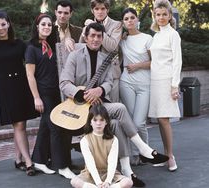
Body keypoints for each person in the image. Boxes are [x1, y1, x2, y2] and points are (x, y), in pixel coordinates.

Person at [60, 22, 169, 186]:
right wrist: (83, 94)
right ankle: (143, 149)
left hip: (99, 105)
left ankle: (127, 171)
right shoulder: (75, 55)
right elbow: (64, 83)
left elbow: (109, 82)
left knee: (117, 123)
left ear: (103, 38)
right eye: (92, 36)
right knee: (120, 108)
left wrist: (100, 91)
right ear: (85, 37)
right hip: (80, 109)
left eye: (99, 36)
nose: (96, 39)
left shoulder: (105, 58)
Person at [0, 9, 39, 176]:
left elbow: (32, 62)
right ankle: (28, 161)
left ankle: (18, 159)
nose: (1, 28)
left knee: (19, 124)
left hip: (22, 85)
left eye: (3, 24)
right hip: (6, 87)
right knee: (19, 125)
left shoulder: (20, 44)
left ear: (8, 23)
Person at [25, 13, 75, 179]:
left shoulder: (54, 45)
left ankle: (38, 160)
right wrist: (36, 98)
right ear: (37, 27)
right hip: (43, 93)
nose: (46, 27)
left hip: (57, 93)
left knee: (45, 128)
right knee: (55, 127)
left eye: (48, 24)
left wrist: (67, 39)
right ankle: (61, 165)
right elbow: (30, 76)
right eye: (43, 24)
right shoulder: (31, 48)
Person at [148, 0, 182, 172]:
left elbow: (177, 61)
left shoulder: (173, 34)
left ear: (170, 16)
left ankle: (170, 156)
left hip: (166, 81)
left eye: (164, 14)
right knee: (160, 120)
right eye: (158, 14)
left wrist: (175, 85)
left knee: (164, 119)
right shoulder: (157, 35)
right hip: (154, 81)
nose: (161, 17)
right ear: (155, 15)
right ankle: (166, 154)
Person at [119, 8, 152, 166]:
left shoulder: (147, 38)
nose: (130, 20)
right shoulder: (122, 39)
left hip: (145, 85)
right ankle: (134, 154)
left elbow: (155, 62)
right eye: (126, 18)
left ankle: (145, 152)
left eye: (132, 17)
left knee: (139, 123)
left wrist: (138, 66)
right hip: (126, 83)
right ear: (123, 23)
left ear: (137, 19)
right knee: (130, 122)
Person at [70, 104, 133, 188]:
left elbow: (112, 162)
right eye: (95, 120)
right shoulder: (85, 140)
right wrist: (98, 182)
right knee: (74, 181)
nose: (98, 123)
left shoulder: (113, 139)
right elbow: (90, 163)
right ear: (90, 122)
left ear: (106, 122)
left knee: (128, 182)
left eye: (101, 120)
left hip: (109, 173)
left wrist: (108, 181)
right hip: (90, 174)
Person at [80, 0, 122, 103]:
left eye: (103, 8)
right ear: (92, 10)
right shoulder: (87, 26)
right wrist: (85, 32)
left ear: (107, 10)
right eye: (97, 9)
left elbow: (112, 46)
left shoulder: (116, 25)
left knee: (112, 107)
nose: (100, 12)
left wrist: (95, 27)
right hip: (92, 74)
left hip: (111, 72)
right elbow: (81, 47)